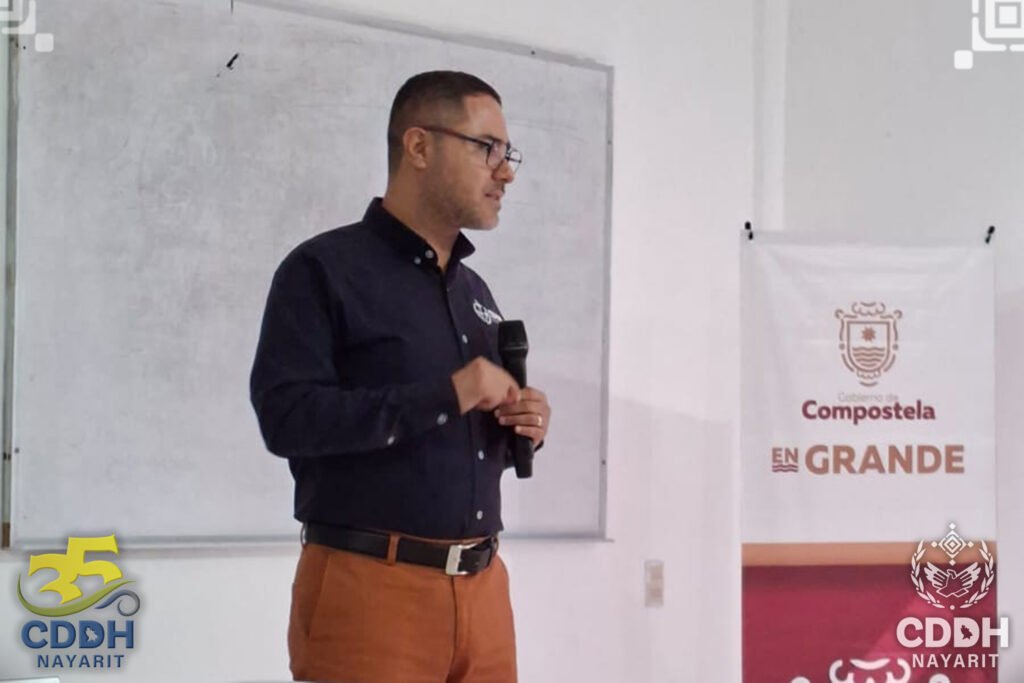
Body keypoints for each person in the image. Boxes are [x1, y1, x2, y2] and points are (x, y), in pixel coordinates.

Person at [249, 70, 552, 683]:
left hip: (484, 590)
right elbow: (288, 419)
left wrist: (521, 425)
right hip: (372, 592)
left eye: (508, 153)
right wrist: (450, 393)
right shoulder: (323, 270)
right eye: (487, 148)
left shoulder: (475, 292)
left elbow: (456, 443)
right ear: (419, 146)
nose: (506, 172)